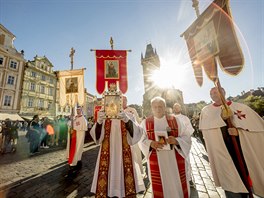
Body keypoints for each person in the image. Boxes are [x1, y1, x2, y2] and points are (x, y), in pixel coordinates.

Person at [199, 87, 264, 198]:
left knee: (245, 185)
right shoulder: (206, 111)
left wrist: (239, 133)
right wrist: (221, 118)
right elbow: (207, 132)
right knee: (230, 186)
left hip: (242, 153)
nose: (213, 94)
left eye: (215, 91)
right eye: (211, 93)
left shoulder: (240, 107)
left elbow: (258, 130)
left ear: (224, 92)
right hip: (222, 155)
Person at [90, 95, 145, 197]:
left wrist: (127, 120)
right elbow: (97, 137)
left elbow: (138, 132)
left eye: (120, 101)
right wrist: (99, 122)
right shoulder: (105, 116)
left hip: (124, 153)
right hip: (107, 155)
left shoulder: (128, 115)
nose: (116, 103)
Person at [140, 97, 191, 198]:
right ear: (152, 108)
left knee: (177, 183)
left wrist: (176, 141)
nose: (158, 109)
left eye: (160, 106)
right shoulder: (145, 123)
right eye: (155, 107)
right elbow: (141, 140)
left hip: (174, 159)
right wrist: (151, 143)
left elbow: (186, 136)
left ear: (165, 107)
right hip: (157, 158)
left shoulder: (175, 120)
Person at [173, 103, 195, 187]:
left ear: (180, 108)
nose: (176, 108)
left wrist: (182, 138)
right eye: (175, 107)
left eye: (178, 107)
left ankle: (188, 179)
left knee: (186, 160)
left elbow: (189, 130)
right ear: (173, 109)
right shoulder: (171, 118)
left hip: (183, 142)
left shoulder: (185, 118)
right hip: (174, 142)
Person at [123, 96, 144, 176]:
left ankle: (139, 174)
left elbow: (138, 123)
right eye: (121, 100)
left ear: (127, 101)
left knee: (135, 156)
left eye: (125, 100)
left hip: (133, 136)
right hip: (123, 138)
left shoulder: (132, 110)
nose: (123, 101)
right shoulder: (116, 111)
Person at [66, 106, 87, 177]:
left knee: (78, 148)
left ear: (81, 110)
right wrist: (71, 121)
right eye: (77, 110)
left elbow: (81, 127)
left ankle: (77, 160)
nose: (78, 111)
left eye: (79, 110)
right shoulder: (75, 117)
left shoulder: (83, 119)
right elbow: (69, 124)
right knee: (73, 148)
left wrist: (73, 127)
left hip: (79, 136)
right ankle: (74, 159)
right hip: (74, 135)